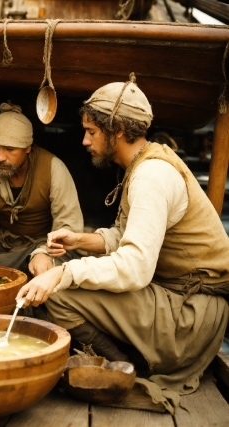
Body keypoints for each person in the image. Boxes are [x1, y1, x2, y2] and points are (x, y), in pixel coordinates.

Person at [16, 74, 229, 413]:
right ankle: (123, 361)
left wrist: (62, 274)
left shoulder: (151, 176)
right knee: (68, 270)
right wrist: (82, 239)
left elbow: (135, 267)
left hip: (191, 318)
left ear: (117, 131)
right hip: (180, 301)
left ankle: (127, 375)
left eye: (92, 132)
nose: (85, 141)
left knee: (62, 294)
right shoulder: (143, 164)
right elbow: (125, 237)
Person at [0, 102, 83, 278]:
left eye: (10, 149)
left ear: (28, 148)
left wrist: (43, 253)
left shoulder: (53, 169)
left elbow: (68, 226)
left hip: (42, 242)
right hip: (1, 240)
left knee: (61, 259)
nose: (0, 157)